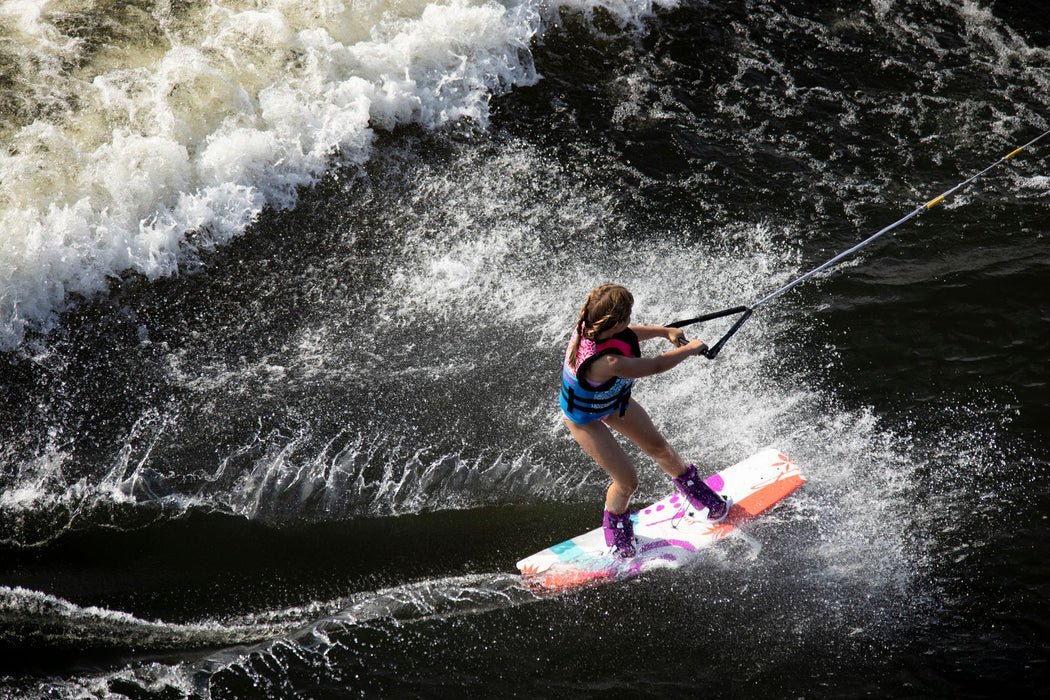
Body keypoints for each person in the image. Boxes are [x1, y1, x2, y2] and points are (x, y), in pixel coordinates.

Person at [560, 283, 732, 558]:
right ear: (615, 320)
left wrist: (665, 332)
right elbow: (655, 366)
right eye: (627, 315)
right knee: (627, 481)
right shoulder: (609, 363)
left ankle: (695, 492)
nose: (629, 320)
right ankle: (616, 533)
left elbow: (627, 335)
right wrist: (691, 349)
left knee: (659, 448)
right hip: (584, 418)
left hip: (613, 403)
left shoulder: (593, 324)